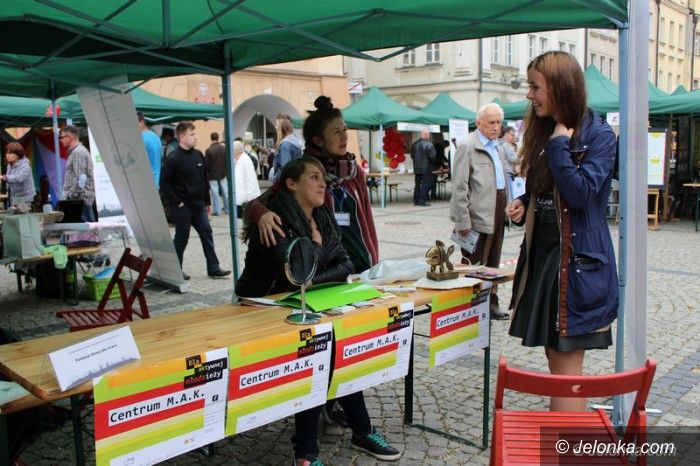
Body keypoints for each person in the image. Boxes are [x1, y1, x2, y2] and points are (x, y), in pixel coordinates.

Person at [245, 96, 398, 463]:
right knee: (320, 353)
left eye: (345, 130)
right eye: (314, 178)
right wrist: (314, 255)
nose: (322, 183)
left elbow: (343, 262)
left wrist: (319, 272)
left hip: (310, 300)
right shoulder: (278, 217)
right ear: (293, 183)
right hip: (263, 308)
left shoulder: (323, 208)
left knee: (338, 348)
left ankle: (352, 433)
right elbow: (295, 275)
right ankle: (313, 449)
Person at [506, 51, 618, 412]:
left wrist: (557, 146)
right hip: (547, 259)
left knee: (567, 372)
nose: (529, 95)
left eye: (535, 87)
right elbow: (549, 188)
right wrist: (526, 202)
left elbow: (581, 193)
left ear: (558, 87)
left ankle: (565, 440)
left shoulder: (599, 136)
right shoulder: (546, 130)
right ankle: (566, 437)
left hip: (575, 264)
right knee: (558, 363)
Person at [449, 103, 510, 320]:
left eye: (499, 122)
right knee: (474, 265)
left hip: (497, 209)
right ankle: (470, 308)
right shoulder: (468, 146)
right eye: (491, 122)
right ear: (478, 123)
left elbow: (502, 181)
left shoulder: (498, 146)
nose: (496, 127)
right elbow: (459, 186)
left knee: (493, 262)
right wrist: (462, 220)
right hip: (476, 215)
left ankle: (491, 305)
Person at [159, 121, 231, 281]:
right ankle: (176, 270)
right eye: (192, 134)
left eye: (195, 134)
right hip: (182, 207)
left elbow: (204, 179)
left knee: (207, 233)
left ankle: (213, 268)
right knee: (181, 238)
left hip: (198, 206)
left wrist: (207, 201)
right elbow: (164, 183)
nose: (195, 137)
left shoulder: (198, 154)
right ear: (181, 137)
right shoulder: (173, 158)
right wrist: (177, 202)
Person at [60, 125, 96, 222]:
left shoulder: (78, 153)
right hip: (80, 201)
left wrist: (71, 196)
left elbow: (81, 179)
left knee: (85, 229)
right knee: (85, 229)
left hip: (80, 202)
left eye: (62, 137)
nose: (61, 140)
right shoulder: (77, 152)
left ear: (69, 138)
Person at [1, 142, 35, 209]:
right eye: (7, 153)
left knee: (21, 215)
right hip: (15, 198)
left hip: (26, 200)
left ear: (18, 154)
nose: (7, 155)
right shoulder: (10, 165)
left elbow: (19, 177)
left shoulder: (25, 165)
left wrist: (5, 177)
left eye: (10, 153)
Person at [232, 140, 260, 218]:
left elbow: (251, 180)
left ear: (237, 150)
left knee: (246, 219)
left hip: (246, 199)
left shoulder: (246, 160)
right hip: (239, 198)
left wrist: (250, 199)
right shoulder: (235, 160)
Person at [272, 114, 303, 181]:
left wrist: (274, 178)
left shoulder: (285, 145)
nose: (276, 127)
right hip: (294, 179)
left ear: (282, 127)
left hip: (284, 182)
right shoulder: (295, 141)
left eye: (277, 125)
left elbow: (285, 168)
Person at [205, 132, 229, 216]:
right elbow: (227, 161)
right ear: (218, 138)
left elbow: (207, 164)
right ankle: (228, 209)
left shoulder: (209, 150)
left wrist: (207, 173)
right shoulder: (224, 149)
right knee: (225, 191)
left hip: (212, 174)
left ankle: (217, 211)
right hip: (223, 173)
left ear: (211, 138)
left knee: (214, 193)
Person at [410, 129, 435, 206]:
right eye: (429, 135)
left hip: (417, 168)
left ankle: (415, 201)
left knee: (417, 184)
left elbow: (412, 156)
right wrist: (432, 165)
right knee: (425, 185)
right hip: (426, 168)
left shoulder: (414, 145)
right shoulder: (429, 145)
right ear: (427, 135)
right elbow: (433, 157)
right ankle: (421, 201)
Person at [137, 112, 162, 188]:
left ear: (141, 122)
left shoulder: (141, 139)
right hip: (157, 181)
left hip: (147, 183)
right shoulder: (156, 137)